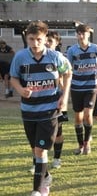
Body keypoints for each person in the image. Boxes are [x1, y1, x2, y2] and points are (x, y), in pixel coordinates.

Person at [9, 21, 72, 196]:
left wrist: (64, 96)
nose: (35, 43)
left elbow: (68, 73)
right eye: (31, 39)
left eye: (39, 39)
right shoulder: (20, 57)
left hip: (49, 110)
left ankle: (37, 190)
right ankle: (46, 175)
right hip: (28, 110)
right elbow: (14, 77)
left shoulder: (55, 57)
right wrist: (20, 89)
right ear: (26, 38)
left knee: (40, 149)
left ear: (45, 39)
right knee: (35, 149)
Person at [67, 24, 97, 155]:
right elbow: (68, 68)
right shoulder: (72, 50)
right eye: (79, 33)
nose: (81, 36)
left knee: (88, 114)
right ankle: (80, 144)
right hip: (76, 87)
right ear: (76, 35)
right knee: (78, 118)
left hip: (91, 86)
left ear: (89, 34)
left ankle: (87, 142)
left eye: (84, 33)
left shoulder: (95, 48)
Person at [46, 31, 71, 169]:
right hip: (42, 100)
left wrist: (64, 95)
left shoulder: (60, 58)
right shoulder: (36, 56)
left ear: (57, 43)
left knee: (58, 131)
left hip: (57, 100)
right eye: (46, 40)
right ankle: (37, 161)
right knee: (40, 131)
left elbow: (68, 75)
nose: (47, 43)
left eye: (50, 41)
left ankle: (57, 158)